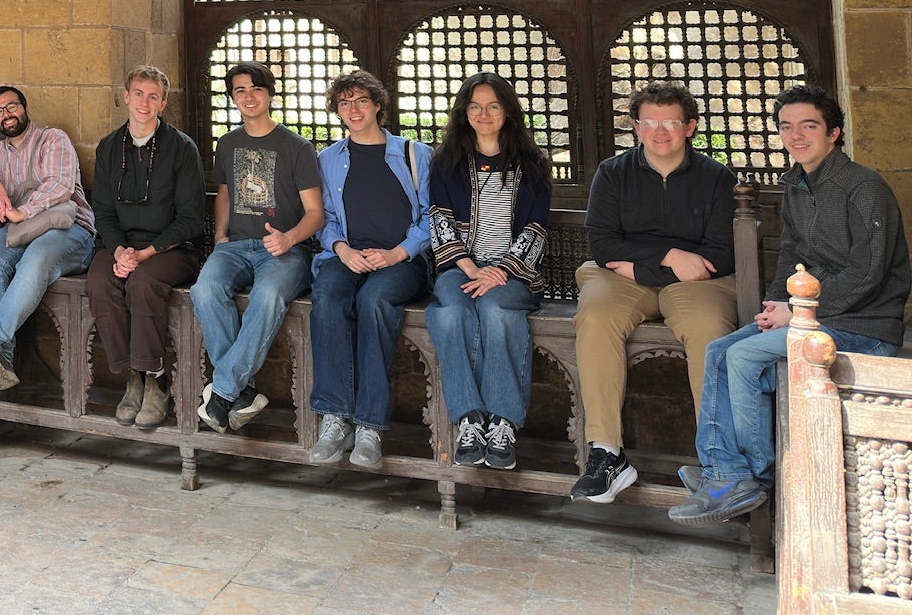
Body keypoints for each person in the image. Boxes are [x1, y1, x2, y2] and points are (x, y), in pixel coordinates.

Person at [670, 85, 911, 525]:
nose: (796, 135)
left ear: (833, 132)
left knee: (743, 357)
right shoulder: (796, 184)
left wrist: (799, 311)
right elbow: (791, 253)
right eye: (787, 126)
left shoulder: (864, 187)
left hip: (864, 326)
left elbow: (868, 272)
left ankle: (747, 478)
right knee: (718, 350)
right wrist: (776, 301)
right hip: (808, 314)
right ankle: (726, 471)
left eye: (809, 126)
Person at [569, 81, 738, 503]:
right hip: (626, 281)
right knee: (596, 314)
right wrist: (669, 256)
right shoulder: (613, 173)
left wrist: (645, 264)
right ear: (636, 126)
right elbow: (603, 245)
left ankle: (718, 462)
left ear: (691, 127)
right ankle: (607, 453)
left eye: (671, 122)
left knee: (708, 327)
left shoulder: (716, 179)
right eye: (649, 123)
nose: (660, 132)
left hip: (699, 283)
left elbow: (721, 252)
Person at [423, 73, 552, 472]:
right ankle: (469, 419)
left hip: (515, 274)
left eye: (493, 106)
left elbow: (536, 228)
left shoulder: (532, 164)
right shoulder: (446, 162)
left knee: (496, 308)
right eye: (475, 106)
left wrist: (499, 271)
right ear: (464, 112)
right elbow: (439, 221)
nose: (484, 114)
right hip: (459, 268)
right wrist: (471, 268)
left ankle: (503, 423)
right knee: (451, 310)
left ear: (507, 111)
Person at [308, 69, 433, 469]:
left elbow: (434, 217)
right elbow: (324, 218)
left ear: (377, 104)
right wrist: (341, 248)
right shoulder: (328, 159)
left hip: (401, 262)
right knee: (326, 296)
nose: (353, 109)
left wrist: (399, 252)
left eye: (361, 100)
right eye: (345, 103)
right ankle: (334, 417)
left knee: (375, 300)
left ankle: (369, 425)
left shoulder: (414, 153)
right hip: (348, 257)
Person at [193, 61, 322, 435]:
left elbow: (315, 213)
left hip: (284, 251)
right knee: (204, 289)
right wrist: (219, 236)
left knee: (267, 298)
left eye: (256, 89)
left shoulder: (296, 147)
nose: (248, 97)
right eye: (239, 91)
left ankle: (223, 394)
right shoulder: (228, 143)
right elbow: (225, 193)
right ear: (233, 97)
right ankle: (241, 393)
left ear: (269, 94)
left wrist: (289, 238)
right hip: (234, 247)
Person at [87, 67, 207, 432]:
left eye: (153, 96)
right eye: (138, 93)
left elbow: (190, 219)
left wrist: (143, 254)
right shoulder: (109, 147)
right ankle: (131, 379)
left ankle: (156, 381)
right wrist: (122, 250)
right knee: (99, 281)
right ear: (126, 96)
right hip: (122, 244)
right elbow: (103, 212)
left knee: (142, 283)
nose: (144, 102)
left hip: (171, 247)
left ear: (163, 103)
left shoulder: (182, 148)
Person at [0, 87, 93, 392]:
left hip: (70, 231)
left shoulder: (52, 138)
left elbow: (60, 185)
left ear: (25, 108)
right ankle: (1, 360)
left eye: (11, 107)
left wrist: (23, 211)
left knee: (36, 258)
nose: (6, 114)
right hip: (23, 232)